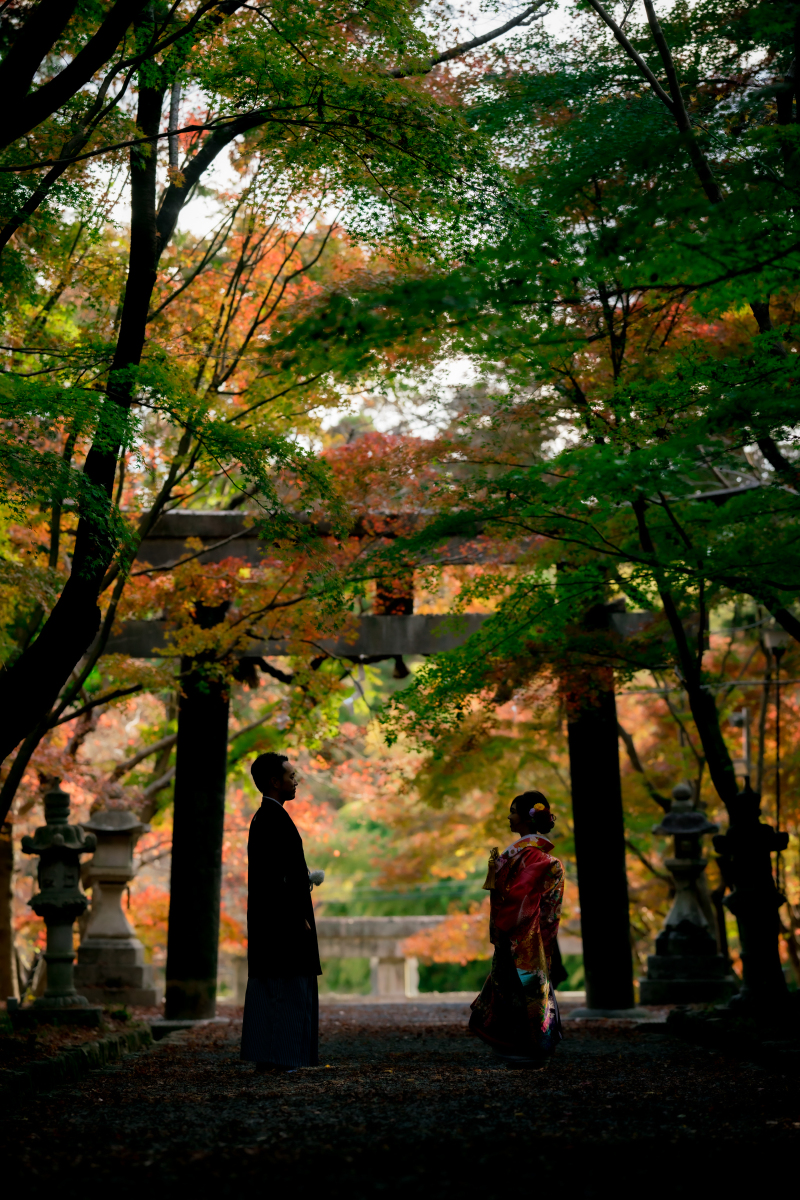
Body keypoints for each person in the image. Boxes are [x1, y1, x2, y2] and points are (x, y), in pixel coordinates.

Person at [469, 790, 564, 1067]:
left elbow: (520, 897)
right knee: (517, 992)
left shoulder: (534, 858)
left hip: (521, 937)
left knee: (521, 993)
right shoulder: (527, 855)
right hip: (522, 935)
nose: (509, 817)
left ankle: (525, 1049)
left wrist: (505, 927)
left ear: (525, 818)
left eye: (513, 811)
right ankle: (522, 1048)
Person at [240, 752, 321, 1073]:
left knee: (280, 987)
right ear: (274, 782)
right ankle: (277, 1058)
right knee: (282, 987)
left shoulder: (268, 818)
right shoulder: (271, 820)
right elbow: (274, 877)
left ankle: (276, 1056)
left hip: (275, 919)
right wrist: (294, 914)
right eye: (291, 776)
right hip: (280, 922)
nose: (296, 780)